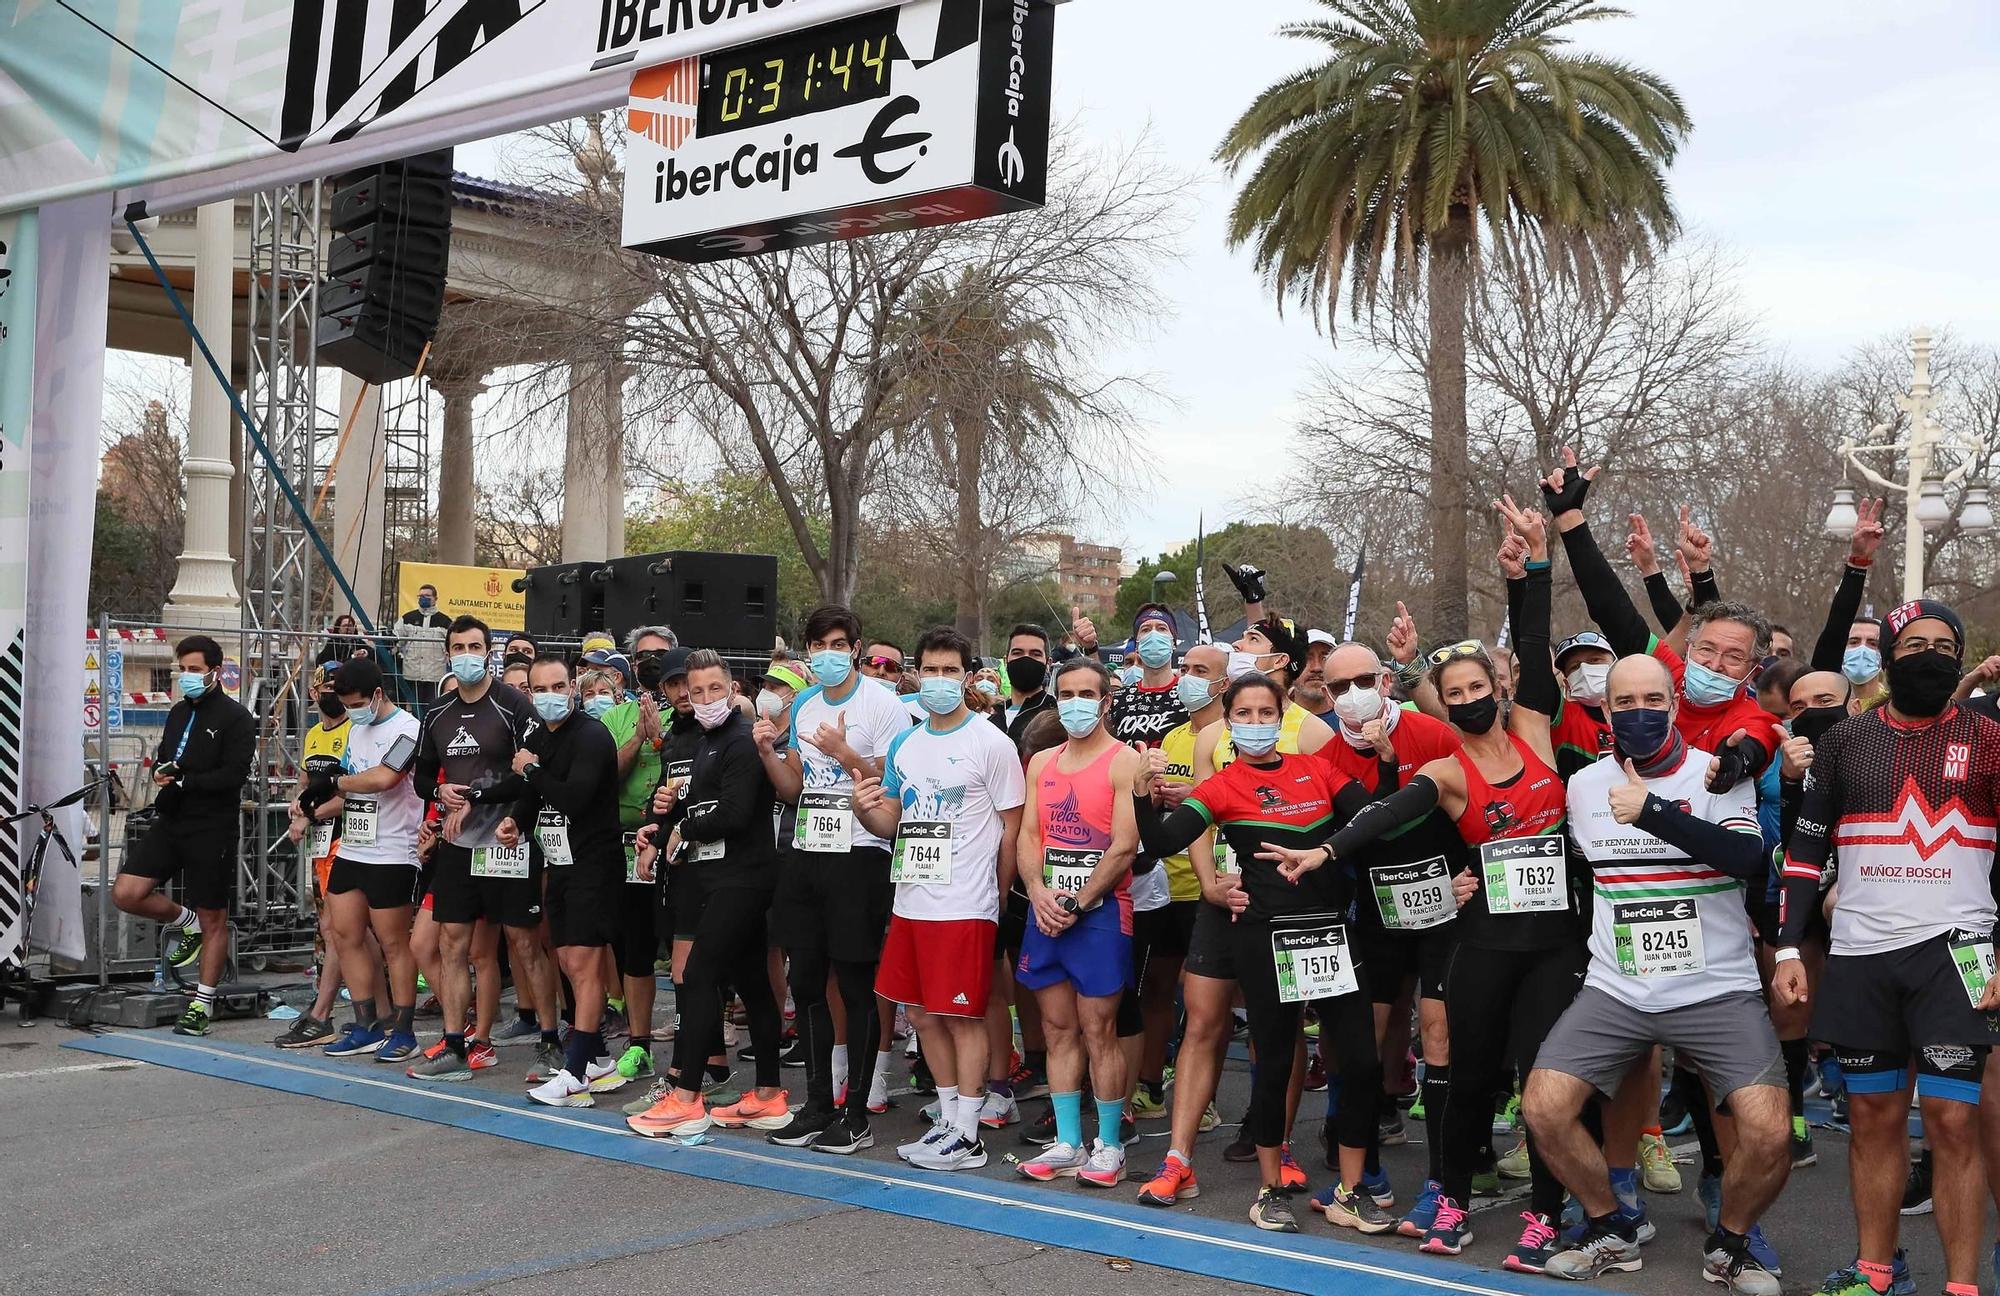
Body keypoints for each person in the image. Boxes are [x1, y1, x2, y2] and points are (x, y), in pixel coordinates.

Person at [1301, 502, 1578, 1268]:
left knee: (1543, 1085)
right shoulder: (1447, 769)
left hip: (1554, 944)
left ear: (1498, 685)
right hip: (1484, 940)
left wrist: (1528, 571)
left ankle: (1544, 1215)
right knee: (1467, 1078)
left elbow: (1531, 640)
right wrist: (1326, 854)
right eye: (1451, 694)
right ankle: (1452, 1196)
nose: (1465, 700)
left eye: (1475, 687)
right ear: (1441, 703)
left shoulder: (1535, 732)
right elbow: (1386, 815)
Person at [1523, 654, 1789, 1295]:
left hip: (1716, 988)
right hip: (1617, 987)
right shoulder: (1583, 785)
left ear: (1674, 706)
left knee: (1771, 1131)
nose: (1638, 712)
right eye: (1624, 703)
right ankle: (1609, 1228)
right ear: (1606, 712)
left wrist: (1653, 812)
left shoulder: (1716, 776)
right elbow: (1569, 865)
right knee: (1544, 1108)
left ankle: (1731, 1243)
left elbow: (1747, 856)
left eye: (1652, 700)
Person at [1775, 598, 2000, 1296]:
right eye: (1912, 645)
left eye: (1943, 645)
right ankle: (1875, 1271)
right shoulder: (1846, 741)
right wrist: (1787, 948)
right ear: (1889, 658)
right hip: (1862, 953)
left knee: (1953, 1120)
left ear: (1960, 659)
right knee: (1872, 1117)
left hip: (1960, 949)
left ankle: (1963, 1284)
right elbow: (1807, 850)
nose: (1928, 656)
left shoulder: (1991, 738)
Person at [1136, 670, 1395, 1234]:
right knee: (1273, 1059)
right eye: (1245, 715)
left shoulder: (1317, 768)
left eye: (1266, 714)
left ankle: (1352, 1192)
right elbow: (1159, 842)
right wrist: (1141, 793)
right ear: (1229, 723)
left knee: (1359, 1060)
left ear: (1284, 720)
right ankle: (1270, 1189)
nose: (1256, 723)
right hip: (1264, 936)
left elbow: (1375, 816)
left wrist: (1388, 760)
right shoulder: (1222, 785)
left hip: (1329, 932)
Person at [854, 626, 1027, 1171]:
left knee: (962, 1018)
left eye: (950, 671)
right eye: (929, 670)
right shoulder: (907, 742)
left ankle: (971, 1133)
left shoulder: (991, 743)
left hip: (964, 906)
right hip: (911, 901)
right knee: (921, 1015)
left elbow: (1011, 832)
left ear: (968, 677)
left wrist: (996, 904)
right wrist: (865, 809)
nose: (938, 681)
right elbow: (894, 823)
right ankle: (950, 1118)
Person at [761, 606, 913, 1153]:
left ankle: (857, 1112)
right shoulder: (802, 703)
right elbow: (791, 787)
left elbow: (896, 782)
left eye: (838, 643)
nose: (828, 653)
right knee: (807, 982)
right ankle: (818, 1102)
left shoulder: (884, 703)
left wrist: (845, 752)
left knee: (855, 983)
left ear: (855, 647)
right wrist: (767, 753)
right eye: (818, 644)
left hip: (861, 853)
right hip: (808, 849)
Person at [627, 651, 789, 1139]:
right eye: (695, 692)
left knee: (698, 975)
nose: (704, 699)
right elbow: (690, 807)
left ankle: (686, 1097)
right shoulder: (701, 741)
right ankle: (768, 1095)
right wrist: (659, 830)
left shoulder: (741, 740)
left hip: (745, 877)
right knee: (752, 982)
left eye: (713, 689)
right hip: (714, 876)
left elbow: (736, 813)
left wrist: (686, 828)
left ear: (732, 687)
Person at [1013, 658, 1146, 1188]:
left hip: (1100, 915)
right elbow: (1028, 836)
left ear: (1106, 701)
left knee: (1099, 1030)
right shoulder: (1041, 761)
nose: (1075, 703)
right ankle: (1067, 1141)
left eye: (1086, 693)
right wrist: (1040, 893)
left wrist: (1076, 903)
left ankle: (1108, 1145)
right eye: (1065, 693)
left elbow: (1124, 847)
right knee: (1056, 1029)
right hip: (1046, 911)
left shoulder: (1126, 761)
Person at [406, 616, 554, 1082]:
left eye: (475, 646)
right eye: (458, 647)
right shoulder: (437, 712)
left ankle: (550, 1041)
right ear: (448, 653)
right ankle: (454, 1043)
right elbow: (423, 775)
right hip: (458, 846)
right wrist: (439, 794)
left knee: (525, 943)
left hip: (506, 841)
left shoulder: (514, 705)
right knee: (453, 944)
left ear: (488, 651)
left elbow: (532, 773)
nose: (466, 654)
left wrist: (492, 806)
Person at [112, 635, 255, 1037]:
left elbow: (232, 776)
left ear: (215, 669)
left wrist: (185, 780)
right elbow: (165, 755)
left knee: (215, 917)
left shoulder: (237, 718)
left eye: (195, 670)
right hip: (172, 818)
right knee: (126, 891)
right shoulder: (177, 713)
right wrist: (161, 771)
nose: (187, 677)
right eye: (183, 670)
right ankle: (183, 921)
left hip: (212, 825)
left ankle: (202, 1003)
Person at [1133, 640, 1233, 1208]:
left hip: (1221, 888)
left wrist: (1198, 794)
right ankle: (1150, 1086)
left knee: (1215, 1008)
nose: (1190, 679)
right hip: (1169, 880)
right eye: (1187, 669)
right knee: (1161, 989)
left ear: (1225, 682)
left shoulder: (1234, 732)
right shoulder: (1173, 737)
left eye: (1201, 671)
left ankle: (1213, 1101)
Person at [511, 654, 631, 1107]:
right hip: (557, 861)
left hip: (593, 864)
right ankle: (598, 1057)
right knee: (565, 960)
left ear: (572, 688)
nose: (549, 696)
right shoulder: (538, 736)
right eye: (539, 689)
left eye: (558, 687)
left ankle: (576, 1069)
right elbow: (532, 796)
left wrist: (530, 770)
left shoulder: (592, 736)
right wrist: (514, 820)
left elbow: (575, 797)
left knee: (583, 966)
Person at [309, 659, 424, 1062]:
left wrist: (335, 782)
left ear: (377, 694)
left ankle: (404, 1029)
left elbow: (383, 778)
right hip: (354, 847)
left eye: (357, 702)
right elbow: (350, 785)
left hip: (393, 850)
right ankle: (366, 1024)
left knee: (394, 943)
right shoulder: (357, 730)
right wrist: (315, 804)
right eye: (345, 704)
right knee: (345, 934)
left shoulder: (408, 728)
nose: (352, 710)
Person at [275, 668, 352, 1049]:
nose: (333, 694)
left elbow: (352, 794)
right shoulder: (313, 734)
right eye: (327, 688)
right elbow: (306, 784)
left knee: (337, 926)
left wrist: (310, 815)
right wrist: (298, 805)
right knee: (327, 928)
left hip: (346, 837)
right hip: (318, 842)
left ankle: (326, 1011)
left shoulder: (354, 729)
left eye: (339, 689)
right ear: (314, 691)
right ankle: (331, 1006)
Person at [997, 624, 1059, 741]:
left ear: (1048, 664)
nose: (1026, 659)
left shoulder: (1056, 717)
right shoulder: (992, 719)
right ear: (1006, 661)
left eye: (1035, 654)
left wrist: (1090, 649)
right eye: (1017, 653)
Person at [395, 584, 451, 708]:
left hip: (435, 677)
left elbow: (451, 647)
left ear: (435, 598)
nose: (423, 598)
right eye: (420, 596)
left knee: (433, 709)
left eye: (427, 596)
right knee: (412, 710)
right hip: (412, 675)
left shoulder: (445, 621)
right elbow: (396, 640)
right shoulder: (407, 618)